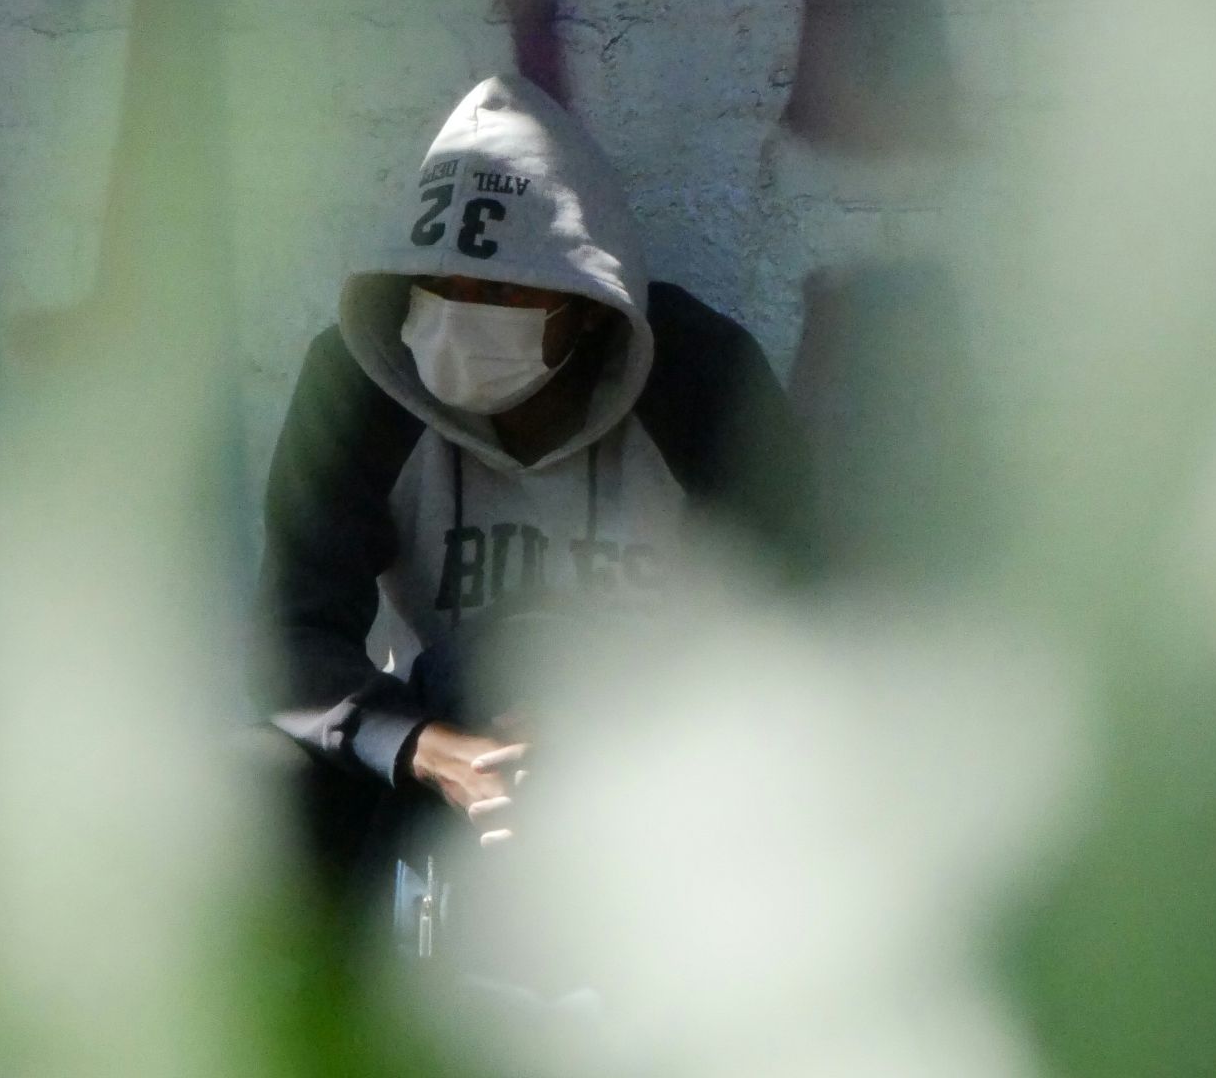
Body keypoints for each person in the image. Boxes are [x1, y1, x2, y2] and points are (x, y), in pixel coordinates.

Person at [254, 75, 812, 899]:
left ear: (587, 308)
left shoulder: (700, 376)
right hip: (441, 725)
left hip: (658, 742)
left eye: (502, 292)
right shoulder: (360, 384)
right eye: (438, 286)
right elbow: (292, 635)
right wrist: (426, 747)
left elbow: (798, 614)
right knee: (258, 785)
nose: (459, 315)